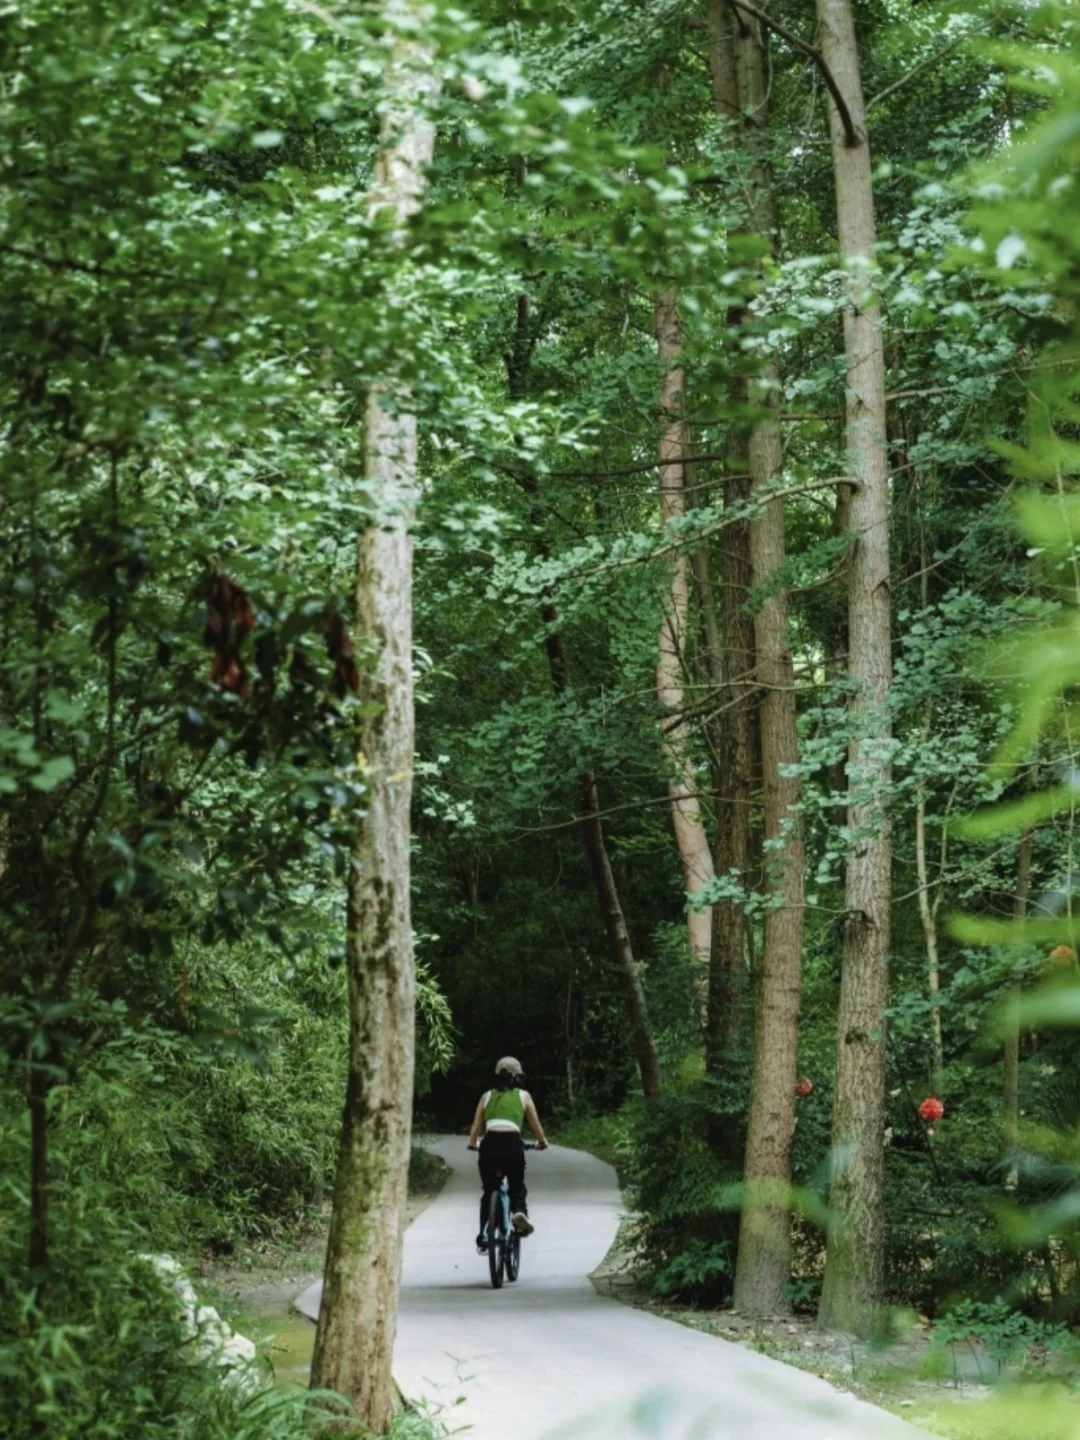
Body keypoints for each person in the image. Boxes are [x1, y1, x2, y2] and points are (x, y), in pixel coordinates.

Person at [467, 1056, 548, 1253]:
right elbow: (535, 1124)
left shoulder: (486, 1096)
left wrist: (472, 1143)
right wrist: (542, 1142)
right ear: (518, 1077)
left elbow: (476, 1126)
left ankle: (484, 1235)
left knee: (489, 1192)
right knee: (516, 1187)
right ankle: (519, 1213)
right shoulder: (524, 1096)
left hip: (489, 1145)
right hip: (513, 1145)